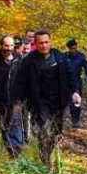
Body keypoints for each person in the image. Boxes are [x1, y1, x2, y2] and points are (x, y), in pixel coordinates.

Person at [12, 30, 79, 165]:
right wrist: (18, 102)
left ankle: (48, 151)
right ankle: (45, 159)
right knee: (45, 128)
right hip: (39, 101)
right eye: (40, 43)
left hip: (58, 99)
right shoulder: (29, 61)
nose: (44, 45)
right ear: (35, 44)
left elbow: (71, 75)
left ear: (51, 42)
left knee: (56, 132)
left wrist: (75, 92)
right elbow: (21, 82)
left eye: (46, 42)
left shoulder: (60, 58)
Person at [0, 35, 24, 157]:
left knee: (15, 121)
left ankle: (16, 151)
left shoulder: (19, 59)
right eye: (6, 45)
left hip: (16, 98)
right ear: (1, 45)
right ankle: (9, 147)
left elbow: (26, 77)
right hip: (0, 98)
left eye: (11, 45)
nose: (9, 48)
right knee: (3, 124)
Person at [66, 39, 87, 128]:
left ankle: (76, 120)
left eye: (75, 48)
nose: (74, 50)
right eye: (72, 48)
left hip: (76, 83)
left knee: (76, 102)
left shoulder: (81, 57)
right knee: (70, 102)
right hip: (66, 83)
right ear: (69, 48)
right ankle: (71, 117)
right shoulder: (64, 57)